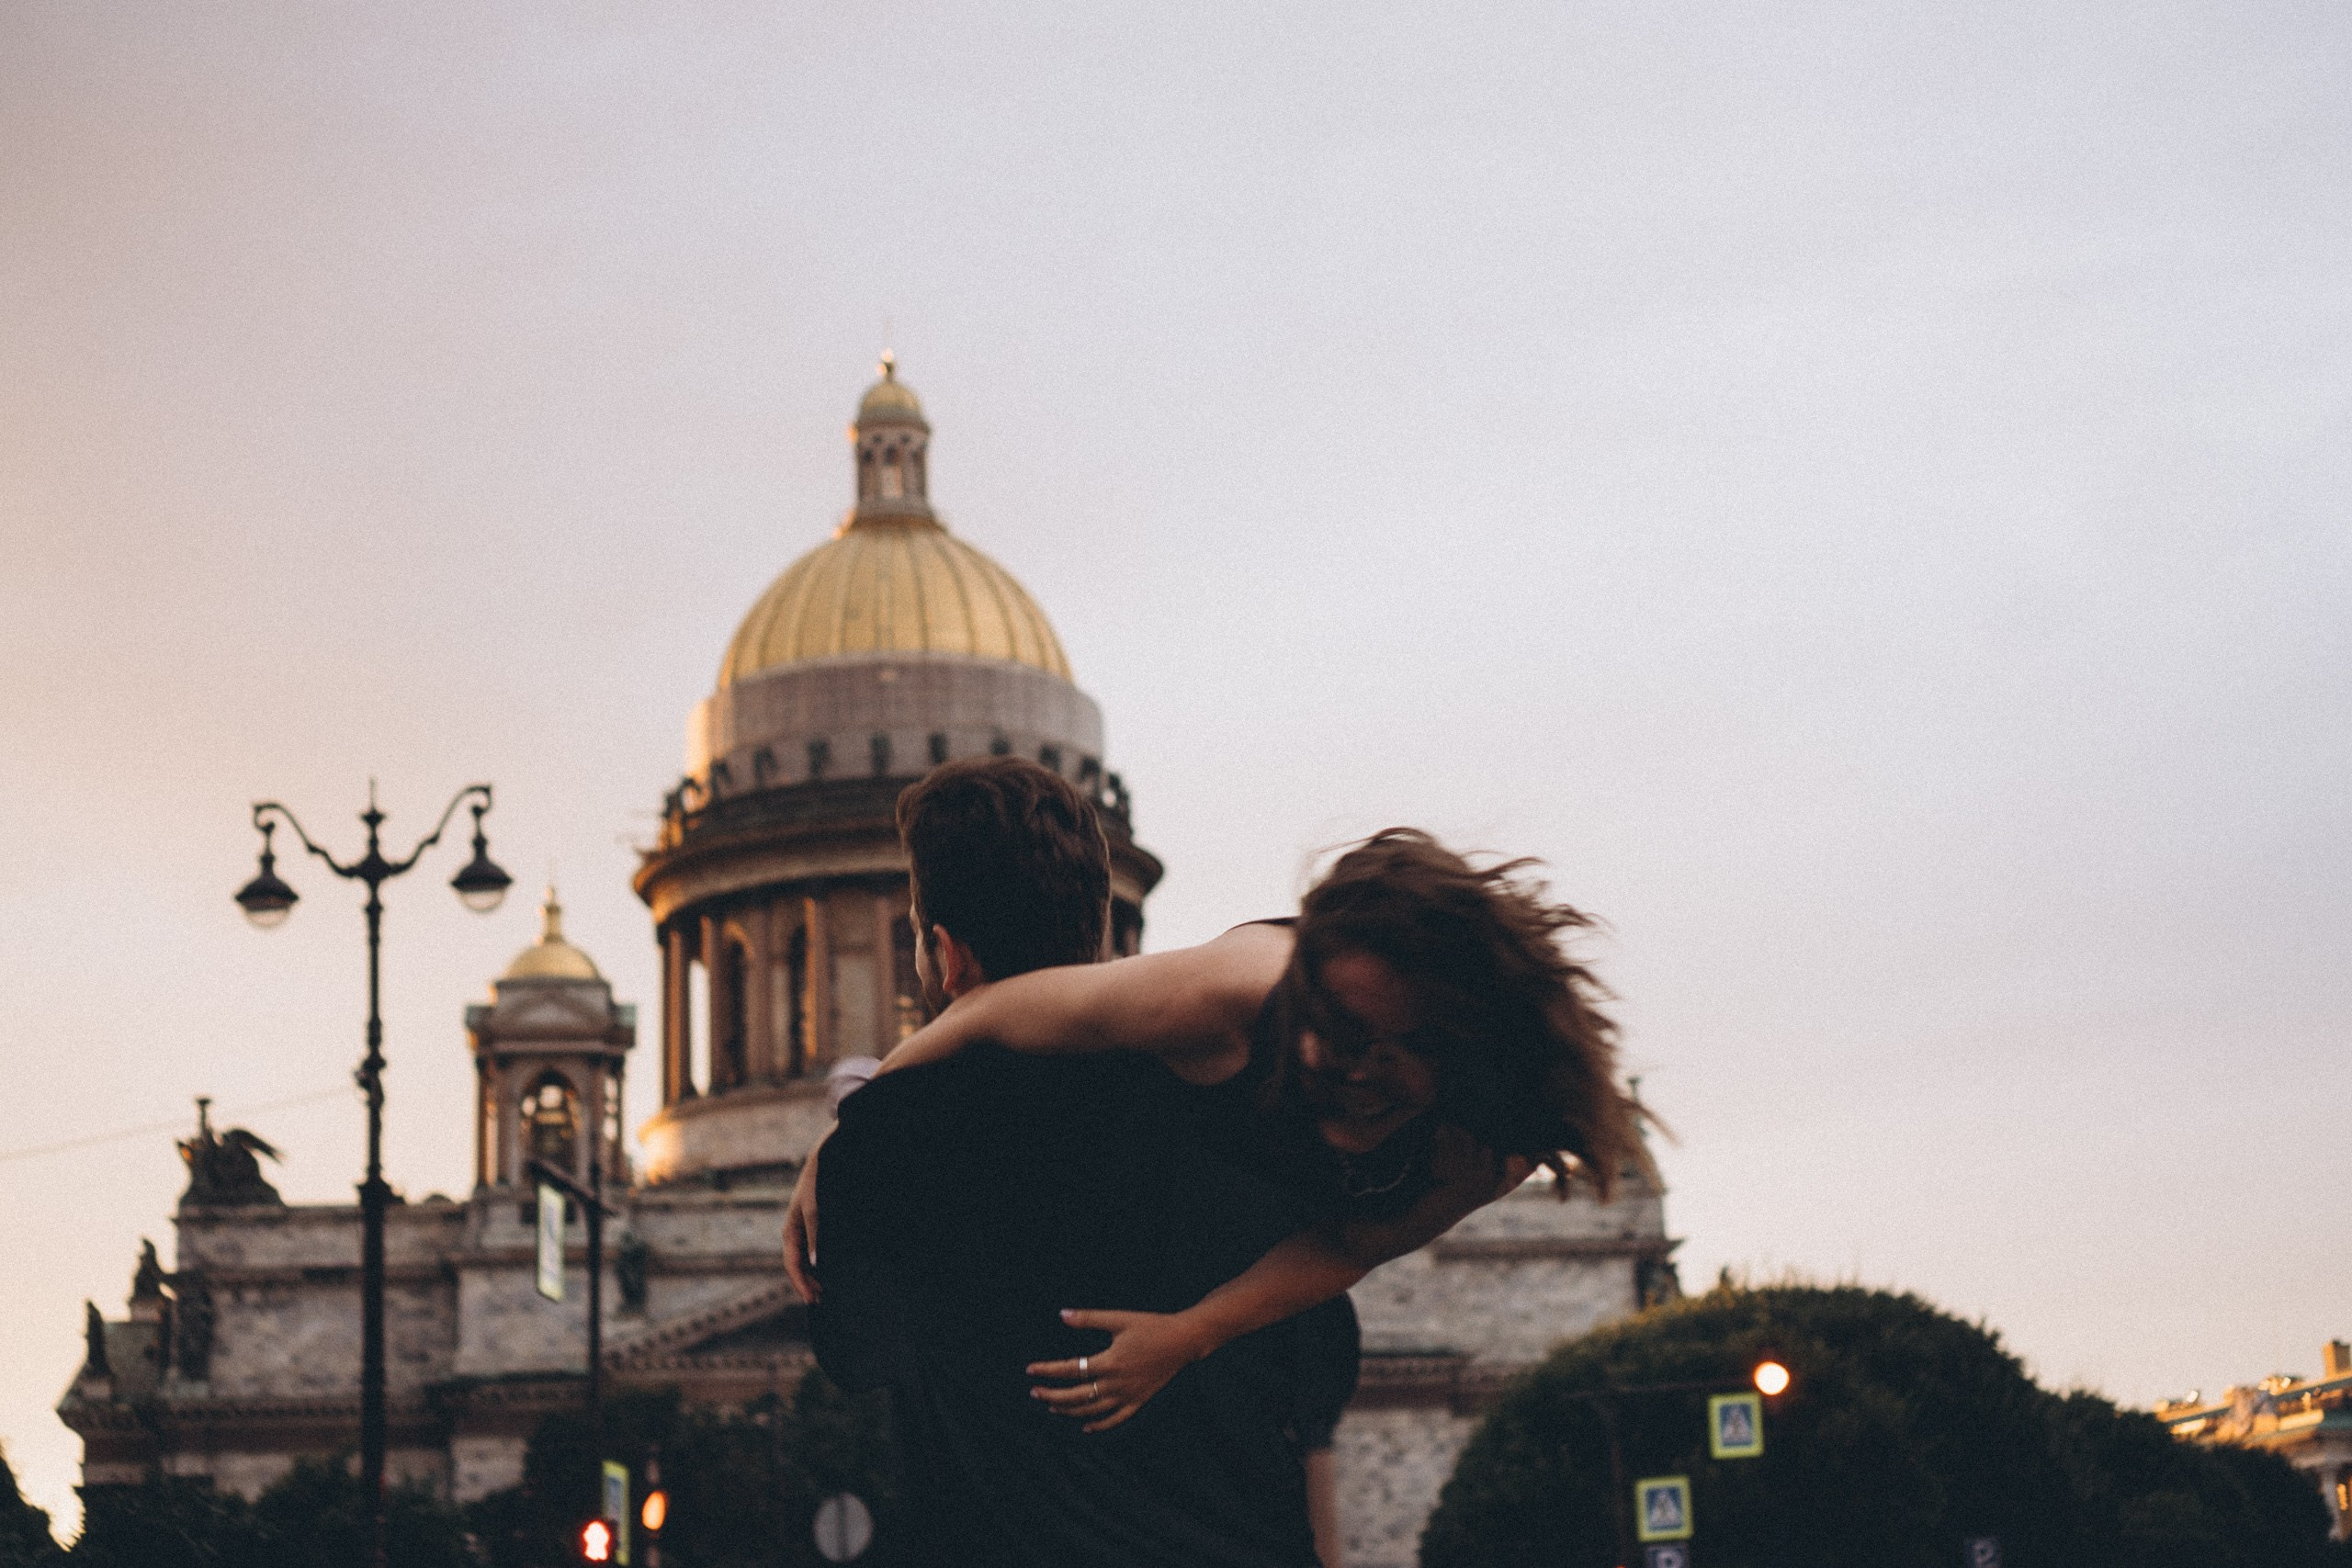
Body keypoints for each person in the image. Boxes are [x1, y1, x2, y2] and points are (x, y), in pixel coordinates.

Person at [789, 825, 1644, 1444]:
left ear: (1456, 1046)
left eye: (1385, 1047)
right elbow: (996, 1011)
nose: (1336, 1061)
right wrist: (854, 1132)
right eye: (1327, 1018)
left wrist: (1190, 1332)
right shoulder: (1223, 995)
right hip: (1139, 1131)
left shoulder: (1488, 1141)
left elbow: (1352, 1242)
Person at [807, 758, 1336, 1566]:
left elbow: (857, 1351)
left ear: (946, 954)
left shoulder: (888, 1138)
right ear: (1102, 924)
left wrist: (856, 1128)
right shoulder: (1241, 1095)